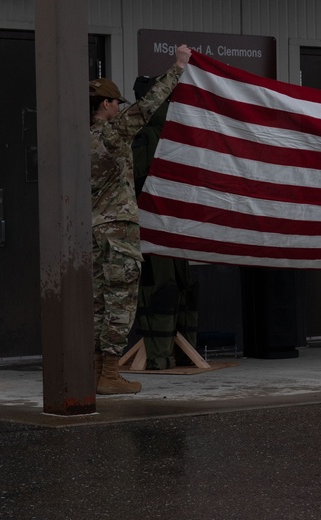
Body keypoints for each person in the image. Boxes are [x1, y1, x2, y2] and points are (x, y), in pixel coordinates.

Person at [89, 44, 191, 394]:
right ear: (106, 105)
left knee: (99, 304)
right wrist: (178, 67)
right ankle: (110, 375)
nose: (121, 108)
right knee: (120, 304)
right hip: (117, 233)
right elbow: (148, 106)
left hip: (92, 233)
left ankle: (95, 371)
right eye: (117, 103)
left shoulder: (78, 140)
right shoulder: (112, 135)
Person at [131, 75, 199, 370]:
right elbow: (141, 183)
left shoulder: (172, 132)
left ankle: (179, 352)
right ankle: (160, 355)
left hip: (173, 225)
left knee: (179, 286)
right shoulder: (146, 135)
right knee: (162, 286)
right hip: (155, 226)